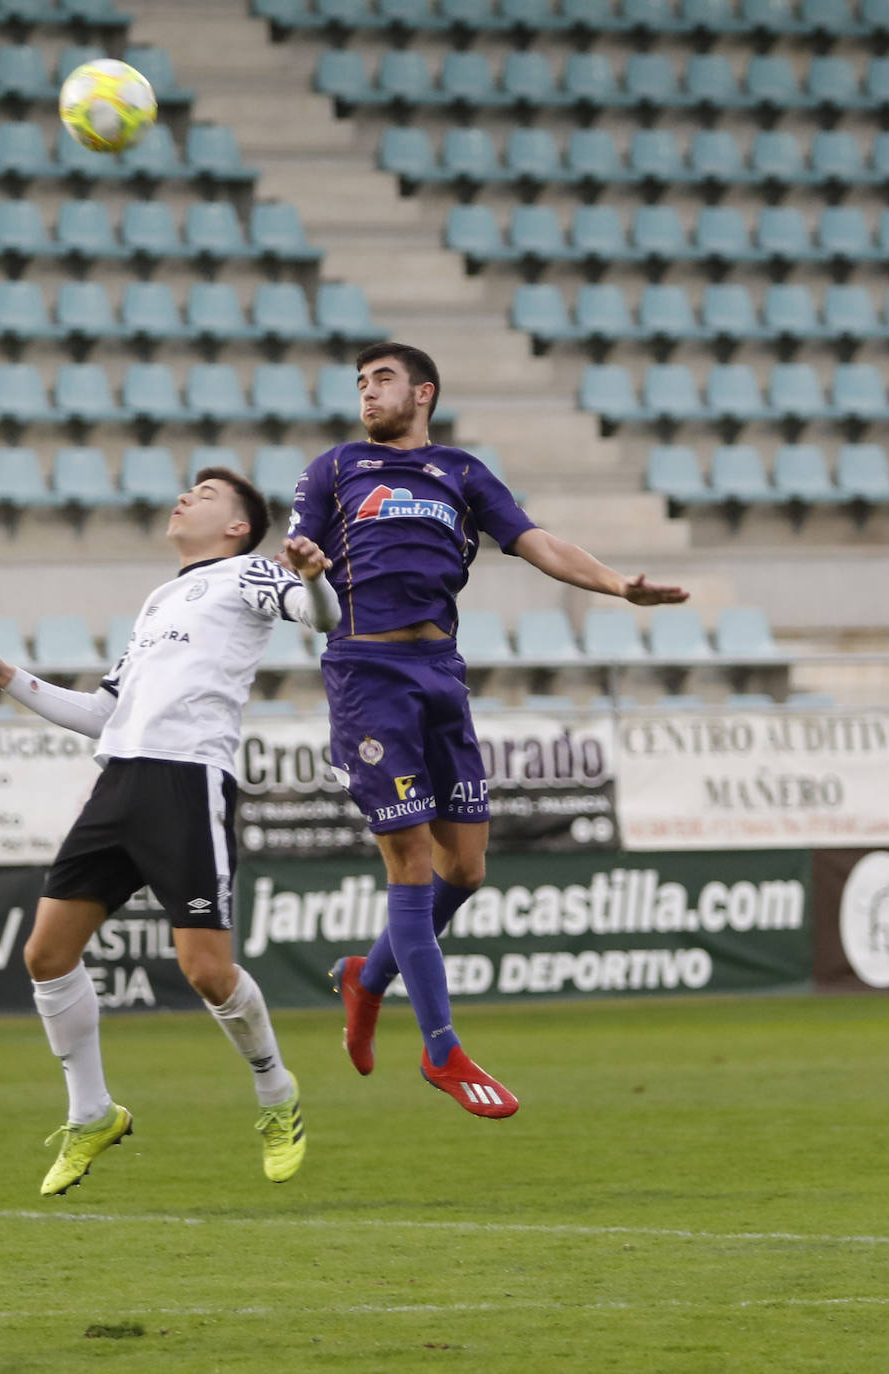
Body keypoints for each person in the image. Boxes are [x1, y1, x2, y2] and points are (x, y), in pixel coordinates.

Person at [287, 343, 689, 1120]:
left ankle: (366, 979)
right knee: (408, 864)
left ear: (423, 392)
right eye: (361, 382)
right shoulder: (334, 469)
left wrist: (617, 585)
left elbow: (539, 544)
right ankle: (442, 1049)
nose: (368, 393)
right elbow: (299, 565)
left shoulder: (463, 474)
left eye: (383, 380)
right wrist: (304, 566)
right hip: (366, 677)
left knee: (465, 871)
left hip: (440, 672)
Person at [0, 466, 338, 1194]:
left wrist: (314, 577)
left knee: (206, 971)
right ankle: (92, 1111)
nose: (186, 497)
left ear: (235, 526)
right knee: (46, 953)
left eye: (207, 494)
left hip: (188, 780)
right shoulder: (159, 600)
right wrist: (11, 679)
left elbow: (326, 621)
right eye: (188, 489)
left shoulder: (249, 574)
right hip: (120, 779)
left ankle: (275, 1093)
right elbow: (104, 714)